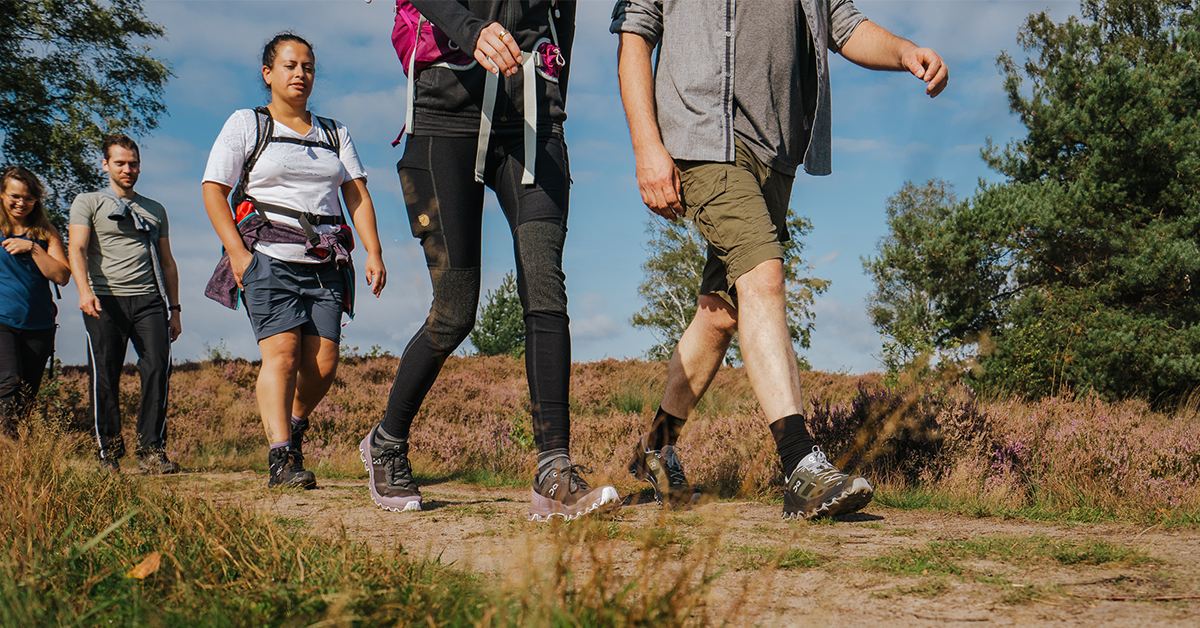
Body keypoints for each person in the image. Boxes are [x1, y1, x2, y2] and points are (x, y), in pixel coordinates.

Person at [611, 0, 948, 519]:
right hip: (701, 134)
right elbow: (635, 34)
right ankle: (801, 466)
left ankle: (657, 446)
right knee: (763, 276)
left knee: (720, 314)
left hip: (773, 150)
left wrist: (905, 52)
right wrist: (647, 146)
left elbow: (842, 22)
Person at [361, 0, 620, 521]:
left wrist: (553, 95)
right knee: (456, 310)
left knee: (545, 284)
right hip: (443, 113)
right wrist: (471, 30)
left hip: (533, 121)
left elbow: (563, 15)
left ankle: (554, 469)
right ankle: (386, 441)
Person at [202, 33, 387, 490]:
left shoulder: (334, 132)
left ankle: (295, 423)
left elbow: (356, 194)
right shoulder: (248, 124)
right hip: (266, 255)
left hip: (325, 259)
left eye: (307, 67)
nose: (299, 74)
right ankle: (281, 459)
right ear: (268, 74)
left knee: (323, 362)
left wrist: (374, 251)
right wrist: (238, 254)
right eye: (289, 65)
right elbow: (213, 190)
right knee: (282, 354)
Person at [69, 135, 182, 475]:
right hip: (104, 301)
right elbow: (76, 249)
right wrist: (84, 291)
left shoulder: (155, 209)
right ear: (106, 165)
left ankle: (151, 452)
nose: (128, 169)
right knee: (105, 375)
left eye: (133, 163)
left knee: (158, 369)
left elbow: (167, 262)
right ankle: (108, 454)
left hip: (149, 300)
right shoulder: (87, 202)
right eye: (120, 163)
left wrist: (174, 309)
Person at [0, 167, 71, 436]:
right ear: (2, 194)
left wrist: (32, 248)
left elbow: (62, 275)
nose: (21, 203)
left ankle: (16, 464)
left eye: (28, 198)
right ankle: (7, 449)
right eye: (15, 196)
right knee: (8, 382)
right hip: (2, 321)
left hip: (39, 324)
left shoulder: (45, 232)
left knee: (26, 398)